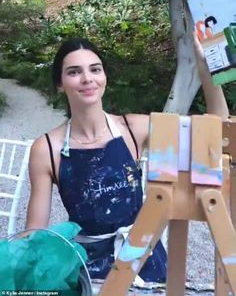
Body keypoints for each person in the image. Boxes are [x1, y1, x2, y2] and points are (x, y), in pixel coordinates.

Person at [25, 36, 229, 285]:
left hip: (144, 262)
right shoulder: (46, 149)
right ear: (59, 83)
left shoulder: (134, 129)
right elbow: (34, 236)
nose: (87, 78)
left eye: (95, 69)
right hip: (87, 274)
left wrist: (206, 66)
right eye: (74, 72)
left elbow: (215, 133)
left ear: (104, 77)